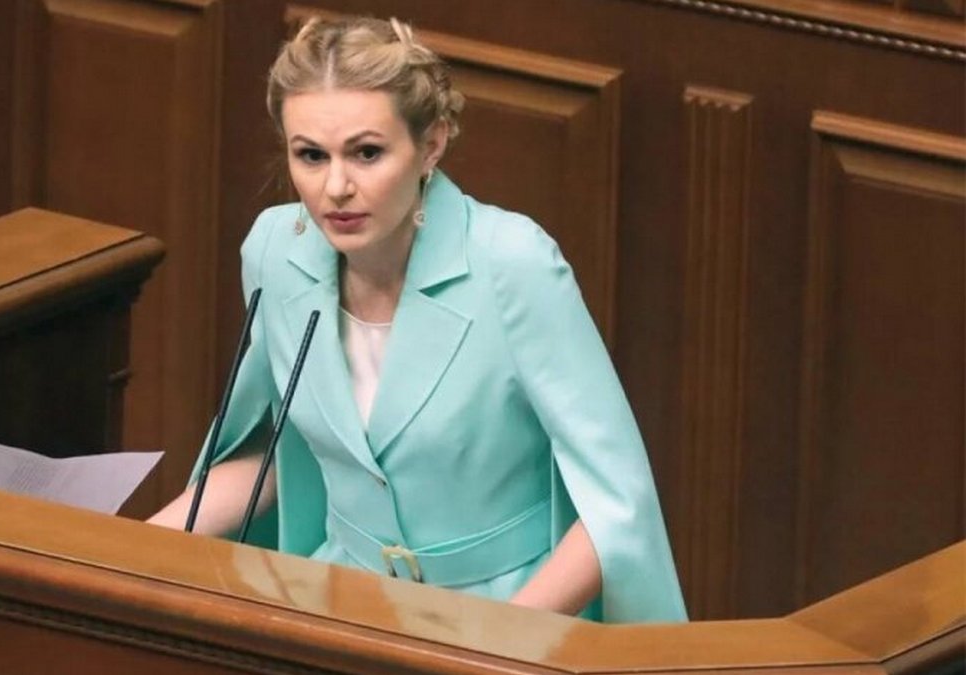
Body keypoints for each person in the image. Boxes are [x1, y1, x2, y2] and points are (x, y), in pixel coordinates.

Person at [149, 15, 687, 623]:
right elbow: (282, 453)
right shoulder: (276, 252)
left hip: (510, 613)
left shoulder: (513, 265)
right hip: (338, 604)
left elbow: (613, 504)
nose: (336, 187)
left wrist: (502, 643)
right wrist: (132, 547)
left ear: (431, 144)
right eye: (311, 156)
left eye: (367, 153)